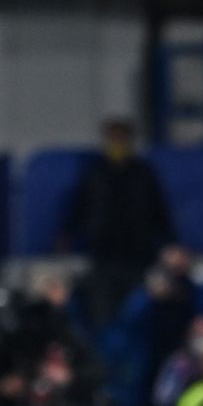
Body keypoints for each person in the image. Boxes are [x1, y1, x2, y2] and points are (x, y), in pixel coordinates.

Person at [67, 118, 175, 329]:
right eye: (113, 138)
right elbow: (79, 211)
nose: (117, 144)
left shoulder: (144, 174)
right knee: (103, 319)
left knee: (137, 319)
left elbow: (160, 213)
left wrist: (169, 243)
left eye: (121, 138)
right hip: (103, 259)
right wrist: (69, 236)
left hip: (138, 258)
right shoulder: (94, 174)